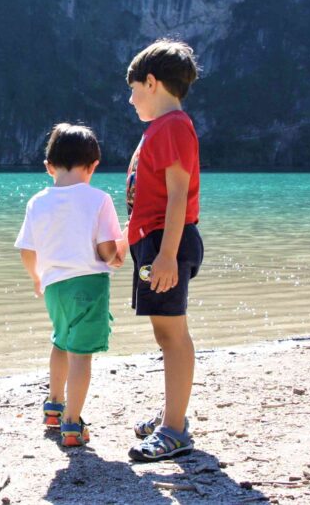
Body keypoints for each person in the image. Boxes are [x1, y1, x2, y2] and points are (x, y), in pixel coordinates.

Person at [15, 123, 126, 447]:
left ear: (49, 166)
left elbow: (26, 249)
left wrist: (37, 278)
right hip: (88, 285)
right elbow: (108, 253)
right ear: (93, 166)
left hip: (52, 286)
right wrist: (126, 242)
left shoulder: (37, 201)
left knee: (61, 341)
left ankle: (53, 405)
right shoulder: (99, 199)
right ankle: (72, 423)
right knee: (81, 355)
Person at [123, 39, 204, 462]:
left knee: (172, 334)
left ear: (152, 82)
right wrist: (126, 241)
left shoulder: (172, 126)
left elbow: (177, 197)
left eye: (134, 88)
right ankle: (174, 413)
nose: (131, 98)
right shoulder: (159, 128)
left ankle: (175, 429)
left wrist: (167, 255)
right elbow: (147, 199)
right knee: (165, 332)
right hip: (153, 241)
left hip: (165, 242)